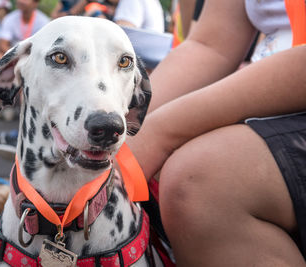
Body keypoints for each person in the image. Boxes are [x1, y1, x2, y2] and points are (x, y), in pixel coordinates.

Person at [125, 0, 306, 265]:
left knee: (200, 180)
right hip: (263, 97)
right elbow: (211, 45)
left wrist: (158, 133)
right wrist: (127, 127)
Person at [0, 0, 49, 68]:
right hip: (12, 54)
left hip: (33, 57)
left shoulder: (44, 21)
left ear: (35, 3)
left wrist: (26, 57)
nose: (20, 1)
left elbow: (43, 49)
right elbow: (3, 44)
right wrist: (17, 56)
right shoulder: (9, 18)